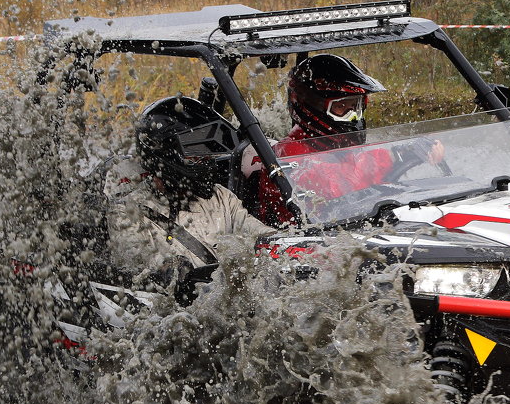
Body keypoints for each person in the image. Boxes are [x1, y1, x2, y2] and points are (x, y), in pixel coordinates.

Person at [242, 54, 442, 225]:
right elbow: (343, 186)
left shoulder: (333, 147)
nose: (353, 117)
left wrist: (409, 151)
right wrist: (399, 156)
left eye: (356, 107)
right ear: (312, 106)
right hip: (302, 248)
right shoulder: (290, 155)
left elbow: (359, 166)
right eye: (341, 107)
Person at [107, 95, 266, 303]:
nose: (205, 160)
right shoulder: (126, 214)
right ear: (166, 155)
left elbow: (262, 236)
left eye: (206, 151)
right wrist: (171, 270)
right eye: (194, 153)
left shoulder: (221, 197)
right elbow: (140, 269)